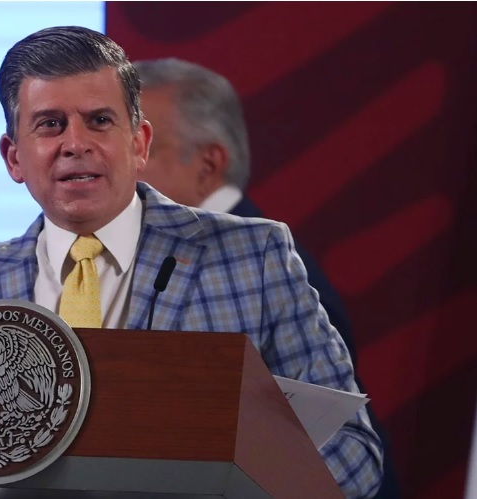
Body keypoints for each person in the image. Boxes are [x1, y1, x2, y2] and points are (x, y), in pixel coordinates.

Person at [0, 27, 383, 497]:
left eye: (99, 121)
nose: (75, 144)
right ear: (13, 157)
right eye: (50, 125)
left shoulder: (251, 257)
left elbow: (354, 456)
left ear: (138, 142)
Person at [134, 57, 398, 498]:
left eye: (142, 147)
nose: (119, 167)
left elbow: (329, 446)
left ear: (208, 165)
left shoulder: (266, 269)